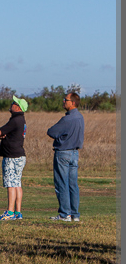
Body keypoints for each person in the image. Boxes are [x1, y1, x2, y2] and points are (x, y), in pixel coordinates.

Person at [46, 92, 85, 222]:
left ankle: (64, 214)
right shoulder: (80, 117)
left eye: (66, 100)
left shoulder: (67, 119)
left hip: (63, 153)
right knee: (73, 184)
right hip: (75, 153)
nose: (63, 101)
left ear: (72, 103)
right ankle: (75, 214)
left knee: (61, 183)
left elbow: (51, 132)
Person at [0, 96, 28, 221]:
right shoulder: (22, 120)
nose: (11, 104)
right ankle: (18, 212)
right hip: (20, 155)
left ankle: (10, 212)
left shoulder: (15, 120)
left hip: (11, 156)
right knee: (17, 183)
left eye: (14, 103)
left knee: (10, 183)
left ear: (18, 107)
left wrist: (2, 134)